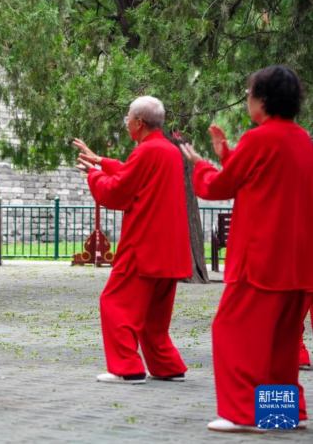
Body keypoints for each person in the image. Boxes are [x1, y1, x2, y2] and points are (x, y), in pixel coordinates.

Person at [181, 65, 313, 433]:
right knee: (280, 345)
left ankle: (243, 413)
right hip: (297, 263)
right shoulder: (303, 140)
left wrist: (201, 165)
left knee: (234, 333)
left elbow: (219, 187)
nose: (247, 99)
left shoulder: (259, 139)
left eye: (250, 93)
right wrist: (227, 154)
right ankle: (280, 415)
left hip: (260, 258)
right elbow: (260, 176)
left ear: (264, 100)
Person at [74, 96, 191, 385]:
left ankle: (126, 367)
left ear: (139, 122)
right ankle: (167, 366)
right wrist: (101, 161)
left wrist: (93, 175)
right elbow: (135, 173)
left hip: (143, 244)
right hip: (170, 248)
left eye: (127, 118)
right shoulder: (169, 150)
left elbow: (119, 190)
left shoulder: (146, 151)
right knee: (154, 316)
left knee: (115, 303)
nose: (126, 123)